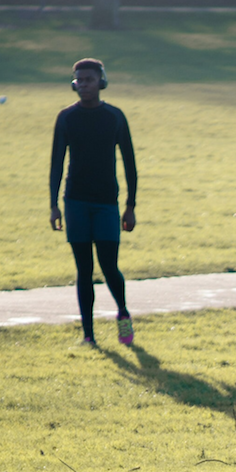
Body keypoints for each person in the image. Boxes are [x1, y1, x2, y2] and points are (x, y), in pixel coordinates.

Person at [48, 58, 138, 346]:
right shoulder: (66, 118)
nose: (84, 84)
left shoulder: (114, 117)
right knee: (83, 269)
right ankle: (88, 335)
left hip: (106, 204)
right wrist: (54, 205)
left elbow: (130, 164)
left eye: (89, 79)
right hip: (75, 202)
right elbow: (56, 164)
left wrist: (130, 206)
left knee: (109, 265)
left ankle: (122, 314)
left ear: (101, 82)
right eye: (79, 80)